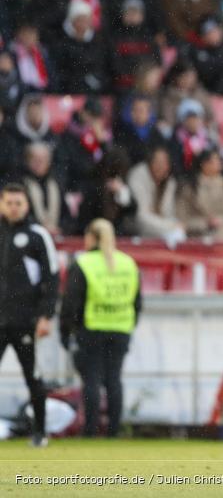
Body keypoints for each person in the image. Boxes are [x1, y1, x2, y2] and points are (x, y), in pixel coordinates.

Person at [60, 218, 141, 438]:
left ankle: (90, 430)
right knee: (114, 379)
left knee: (92, 380)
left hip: (92, 328)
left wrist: (66, 331)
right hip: (121, 328)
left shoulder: (84, 263)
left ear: (92, 238)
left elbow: (71, 303)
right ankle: (114, 430)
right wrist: (128, 324)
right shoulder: (128, 263)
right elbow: (138, 301)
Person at [0, 182, 59, 447]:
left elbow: (52, 278)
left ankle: (40, 432)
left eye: (18, 203)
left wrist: (45, 315)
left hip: (25, 321)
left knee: (32, 377)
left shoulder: (37, 235)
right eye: (9, 203)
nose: (13, 208)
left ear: (26, 205)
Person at [127, 146, 185, 244]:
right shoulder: (138, 177)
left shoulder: (169, 182)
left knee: (179, 233)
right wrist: (171, 225)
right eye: (157, 162)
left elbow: (168, 213)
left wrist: (173, 225)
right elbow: (141, 217)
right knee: (176, 232)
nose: (161, 166)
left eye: (164, 163)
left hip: (160, 227)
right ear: (150, 163)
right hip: (136, 228)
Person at [175, 150, 223, 240]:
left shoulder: (222, 183)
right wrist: (206, 223)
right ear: (204, 164)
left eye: (218, 160)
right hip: (196, 234)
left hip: (220, 232)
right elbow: (182, 219)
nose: (219, 163)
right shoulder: (189, 186)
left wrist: (219, 220)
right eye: (214, 160)